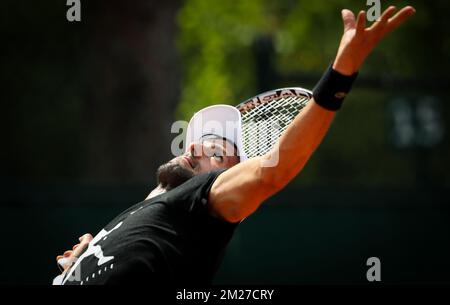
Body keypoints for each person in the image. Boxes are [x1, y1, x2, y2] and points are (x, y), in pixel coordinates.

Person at [53, 5, 416, 285]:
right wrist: (83, 264)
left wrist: (341, 72)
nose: (193, 149)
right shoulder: (151, 216)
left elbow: (273, 170)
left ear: (232, 175)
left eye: (215, 151)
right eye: (195, 143)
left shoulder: (200, 206)